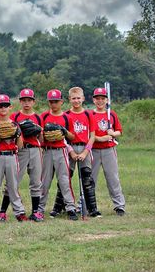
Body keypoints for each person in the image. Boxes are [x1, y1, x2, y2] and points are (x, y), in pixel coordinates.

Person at [50, 87, 102, 218]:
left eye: (79, 98)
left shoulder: (89, 114)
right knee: (65, 179)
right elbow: (64, 137)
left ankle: (92, 209)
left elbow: (92, 136)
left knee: (87, 179)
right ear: (69, 99)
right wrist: (71, 151)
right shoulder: (66, 115)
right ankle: (58, 207)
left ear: (83, 98)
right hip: (69, 148)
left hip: (85, 148)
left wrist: (85, 152)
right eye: (74, 98)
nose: (76, 100)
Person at [0, 88, 43, 222]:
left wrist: (39, 130)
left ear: (33, 102)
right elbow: (9, 135)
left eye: (29, 100)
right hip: (20, 151)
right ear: (20, 102)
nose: (26, 103)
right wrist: (19, 131)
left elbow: (41, 139)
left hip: (35, 150)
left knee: (36, 182)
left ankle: (36, 212)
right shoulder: (15, 117)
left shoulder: (38, 117)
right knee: (13, 182)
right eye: (24, 100)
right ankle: (2, 212)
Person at [38, 89, 78, 220]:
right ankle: (40, 209)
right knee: (45, 181)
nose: (53, 104)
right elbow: (40, 138)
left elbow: (72, 137)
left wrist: (64, 131)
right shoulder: (43, 116)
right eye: (51, 101)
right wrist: (43, 134)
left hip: (61, 151)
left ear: (61, 102)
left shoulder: (67, 117)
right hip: (47, 151)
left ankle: (71, 208)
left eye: (56, 101)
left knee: (64, 181)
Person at [0, 94, 28, 222]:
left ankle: (19, 212)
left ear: (10, 107)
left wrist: (16, 134)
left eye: (5, 105)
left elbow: (20, 145)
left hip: (12, 156)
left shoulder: (15, 124)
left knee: (13, 186)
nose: (3, 108)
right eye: (0, 106)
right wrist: (1, 133)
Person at [91, 87, 126, 216]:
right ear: (93, 100)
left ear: (107, 100)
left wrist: (113, 133)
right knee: (90, 179)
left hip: (109, 150)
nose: (100, 101)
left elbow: (119, 131)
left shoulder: (111, 114)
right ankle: (87, 205)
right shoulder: (90, 114)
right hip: (93, 150)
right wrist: (100, 138)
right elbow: (89, 134)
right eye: (97, 98)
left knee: (113, 178)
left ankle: (119, 205)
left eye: (102, 98)